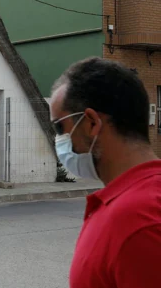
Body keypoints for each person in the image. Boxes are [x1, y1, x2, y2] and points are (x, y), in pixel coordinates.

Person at [49, 57, 161, 288]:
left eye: (60, 126)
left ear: (91, 123)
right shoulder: (128, 203)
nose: (59, 139)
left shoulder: (140, 222)